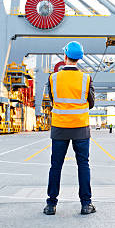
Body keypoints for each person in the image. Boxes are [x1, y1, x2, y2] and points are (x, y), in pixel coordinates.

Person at [43, 41, 96, 216]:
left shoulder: (53, 78)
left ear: (65, 56)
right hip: (81, 127)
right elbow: (92, 103)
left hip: (59, 127)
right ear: (79, 59)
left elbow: (52, 100)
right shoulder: (86, 79)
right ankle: (86, 204)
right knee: (83, 165)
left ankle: (51, 205)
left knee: (55, 166)